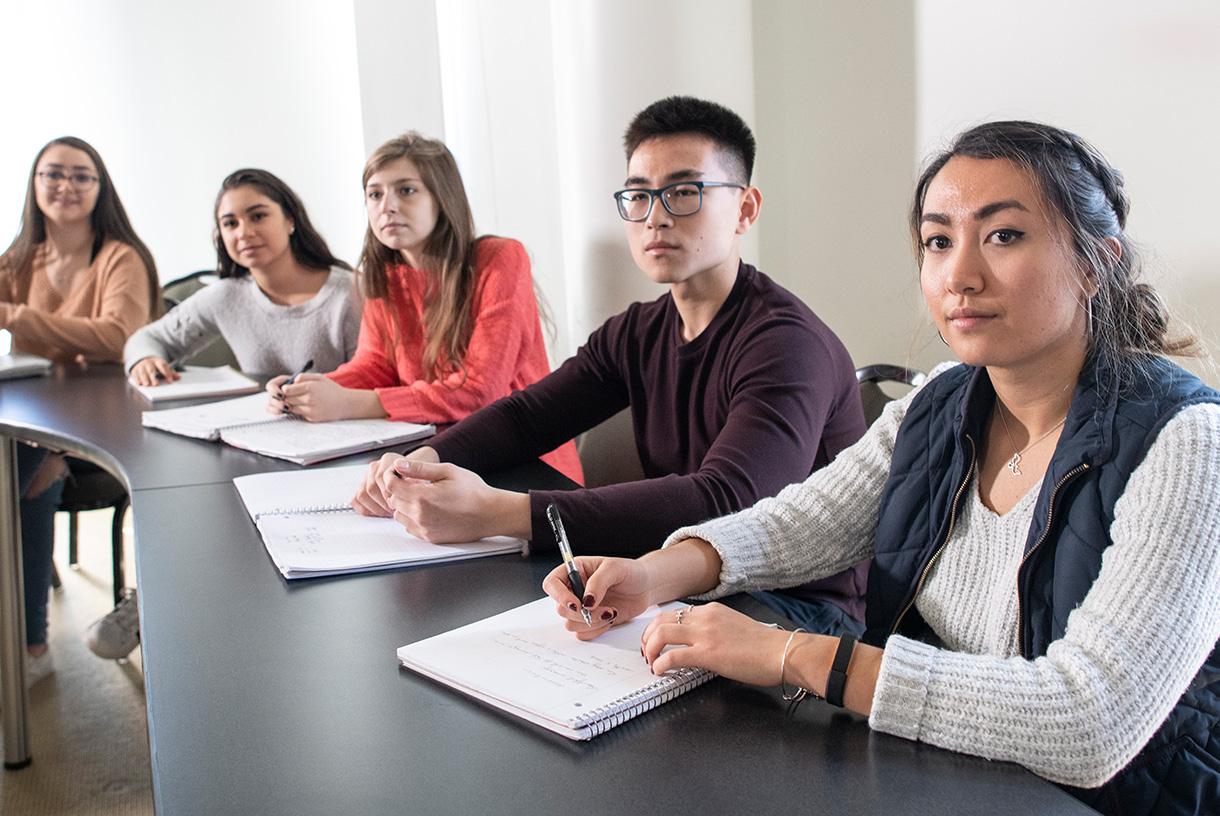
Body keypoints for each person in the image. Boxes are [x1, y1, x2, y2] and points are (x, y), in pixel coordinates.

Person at [544, 121, 1220, 815]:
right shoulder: (938, 403)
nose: (959, 274)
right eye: (938, 240)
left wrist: (793, 655)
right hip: (947, 775)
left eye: (1004, 235)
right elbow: (801, 523)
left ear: (1096, 263)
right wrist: (657, 572)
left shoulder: (1189, 444)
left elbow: (1090, 720)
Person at [357, 97, 868, 635]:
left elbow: (728, 501)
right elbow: (527, 417)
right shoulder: (638, 330)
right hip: (677, 582)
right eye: (640, 196)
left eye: (684, 192)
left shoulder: (787, 343)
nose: (657, 216)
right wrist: (416, 461)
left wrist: (498, 512)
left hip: (797, 611)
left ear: (744, 209)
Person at [265, 132, 581, 482]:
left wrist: (350, 403)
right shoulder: (384, 275)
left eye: (406, 190)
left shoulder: (500, 259)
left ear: (442, 198)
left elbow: (479, 391)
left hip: (526, 462)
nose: (387, 206)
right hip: (436, 450)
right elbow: (375, 366)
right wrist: (310, 389)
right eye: (375, 193)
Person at [0, 136, 157, 684]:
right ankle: (28, 641)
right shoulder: (20, 258)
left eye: (81, 175)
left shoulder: (120, 257)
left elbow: (119, 337)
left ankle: (29, 643)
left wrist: (16, 316)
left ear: (100, 187)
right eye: (53, 174)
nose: (66, 186)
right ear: (34, 184)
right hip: (36, 426)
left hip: (105, 432)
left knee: (25, 467)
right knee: (26, 461)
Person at [125, 168, 359, 383]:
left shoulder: (352, 292)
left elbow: (374, 382)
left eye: (258, 216)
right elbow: (146, 339)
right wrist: (144, 360)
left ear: (290, 220)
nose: (243, 233)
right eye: (230, 223)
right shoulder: (226, 296)